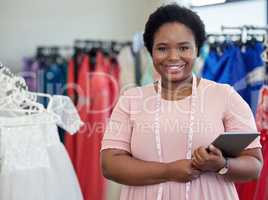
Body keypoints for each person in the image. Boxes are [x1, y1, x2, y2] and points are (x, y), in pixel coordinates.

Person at [100, 3, 263, 200]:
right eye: (162, 48)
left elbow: (254, 165)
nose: (173, 57)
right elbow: (110, 165)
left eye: (184, 47)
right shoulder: (131, 99)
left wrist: (221, 164)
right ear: (151, 51)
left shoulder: (225, 96)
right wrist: (168, 170)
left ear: (197, 50)